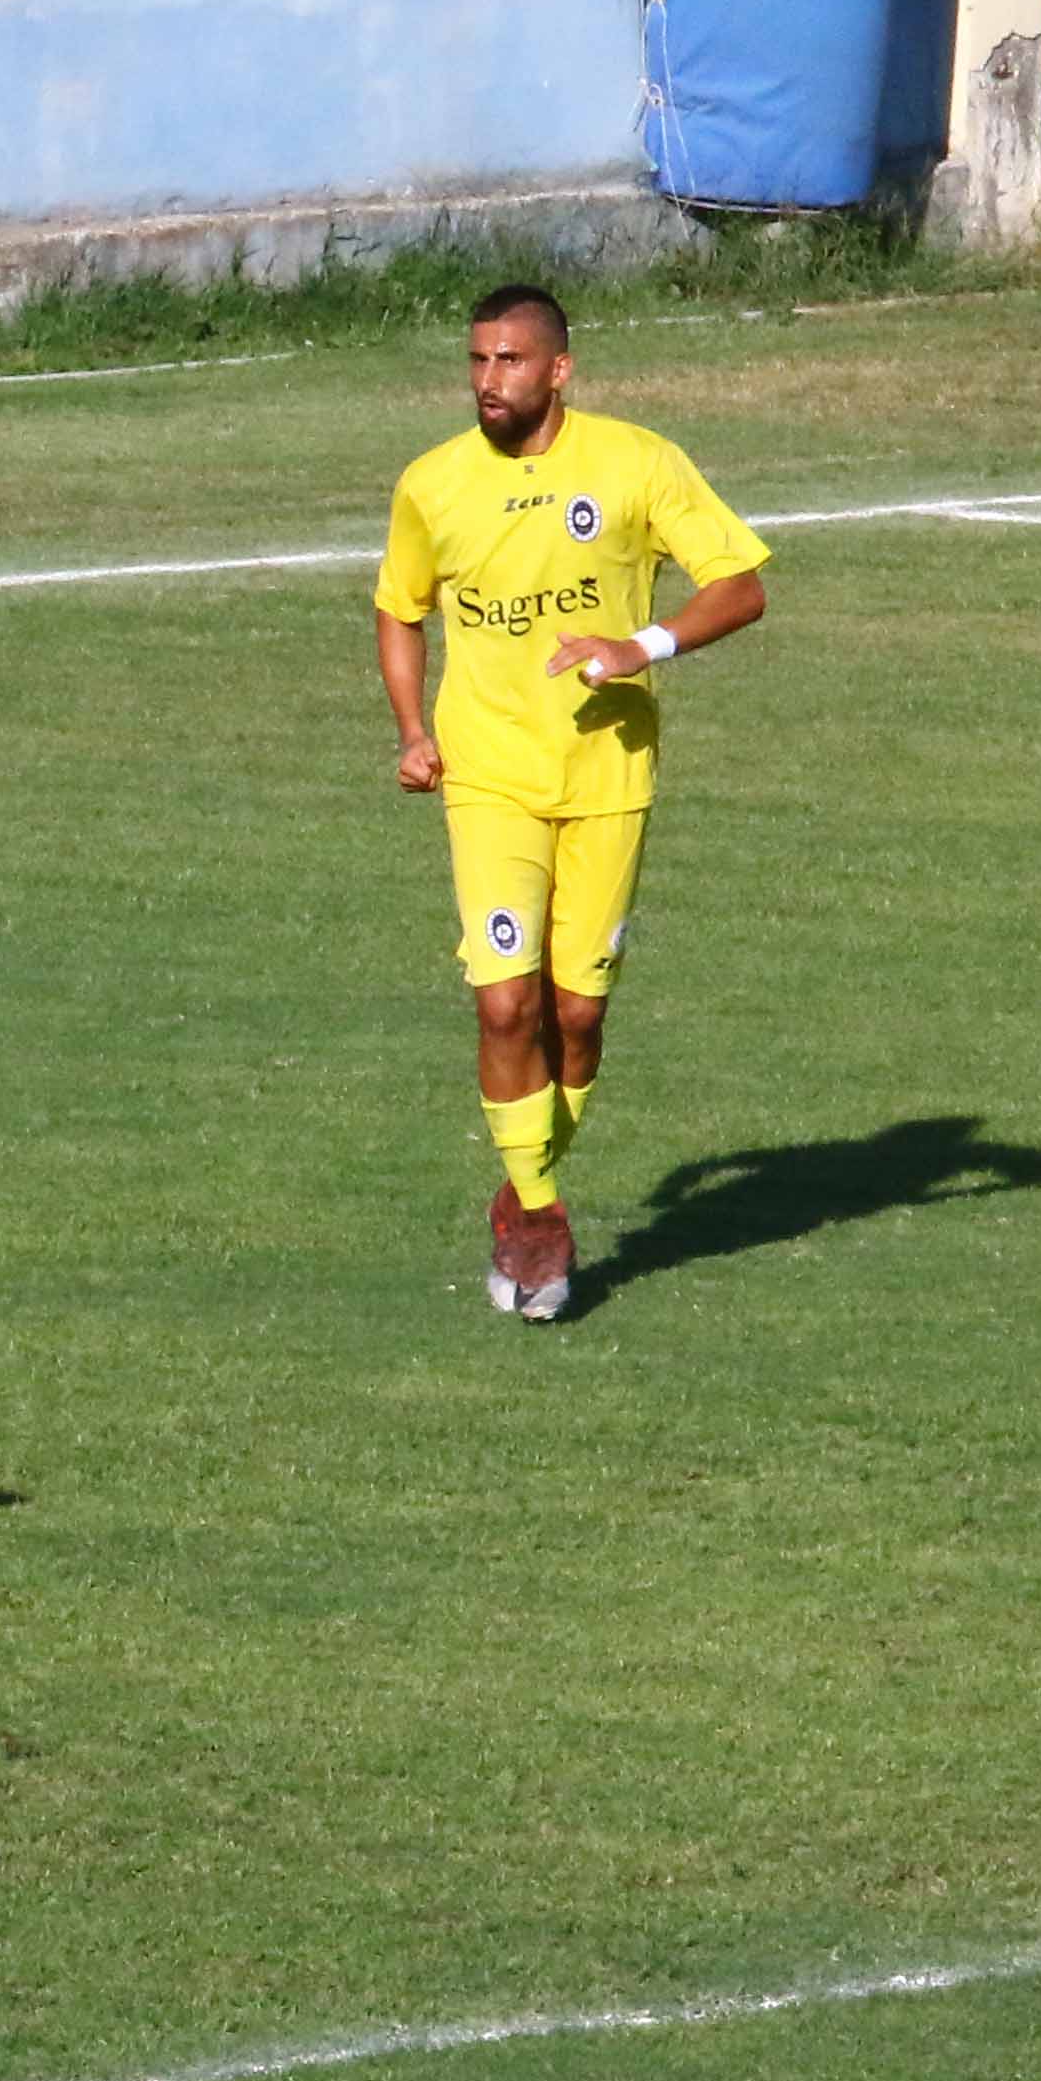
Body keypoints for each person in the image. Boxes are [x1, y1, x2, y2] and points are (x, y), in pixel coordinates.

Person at [370, 287, 769, 1325]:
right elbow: (398, 611)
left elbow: (741, 585)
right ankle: (540, 1215)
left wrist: (639, 647)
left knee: (576, 1017)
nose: (487, 381)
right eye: (475, 361)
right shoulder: (433, 485)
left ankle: (520, 1177)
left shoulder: (635, 464)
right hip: (490, 778)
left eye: (509, 362)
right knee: (505, 1001)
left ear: (558, 371)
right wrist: (415, 731)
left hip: (607, 779)